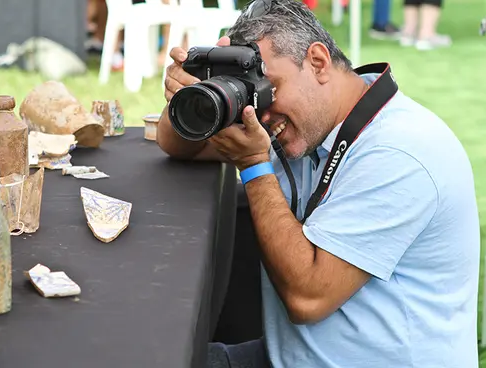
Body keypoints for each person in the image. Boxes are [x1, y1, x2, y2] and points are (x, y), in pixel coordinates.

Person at [158, 0, 480, 367]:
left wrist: (253, 165)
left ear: (317, 62)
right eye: (253, 90)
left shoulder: (400, 152)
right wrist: (194, 94)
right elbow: (176, 145)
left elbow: (307, 298)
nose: (262, 111)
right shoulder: (303, 118)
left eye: (271, 88)